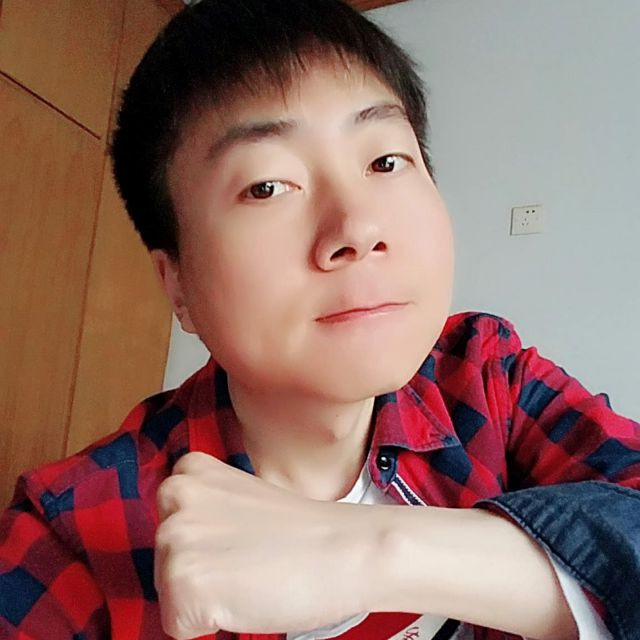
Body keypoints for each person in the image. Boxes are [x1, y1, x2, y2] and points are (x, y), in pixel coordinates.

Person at [1, 1, 639, 639]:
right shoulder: (71, 536)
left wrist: (373, 551)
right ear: (179, 286)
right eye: (266, 186)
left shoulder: (484, 378)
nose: (356, 228)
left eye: (385, 162)